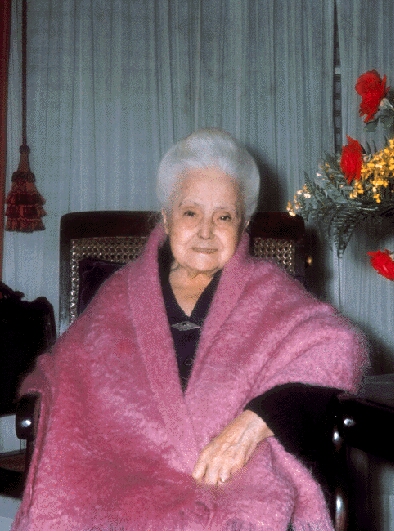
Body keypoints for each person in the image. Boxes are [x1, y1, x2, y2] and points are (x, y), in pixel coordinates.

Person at [12, 129, 367, 531]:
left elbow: (340, 345)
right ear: (166, 217)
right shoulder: (121, 294)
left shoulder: (270, 289)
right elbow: (68, 371)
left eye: (224, 216)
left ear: (243, 225)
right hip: (125, 488)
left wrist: (256, 420)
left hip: (237, 486)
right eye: (191, 213)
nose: (206, 231)